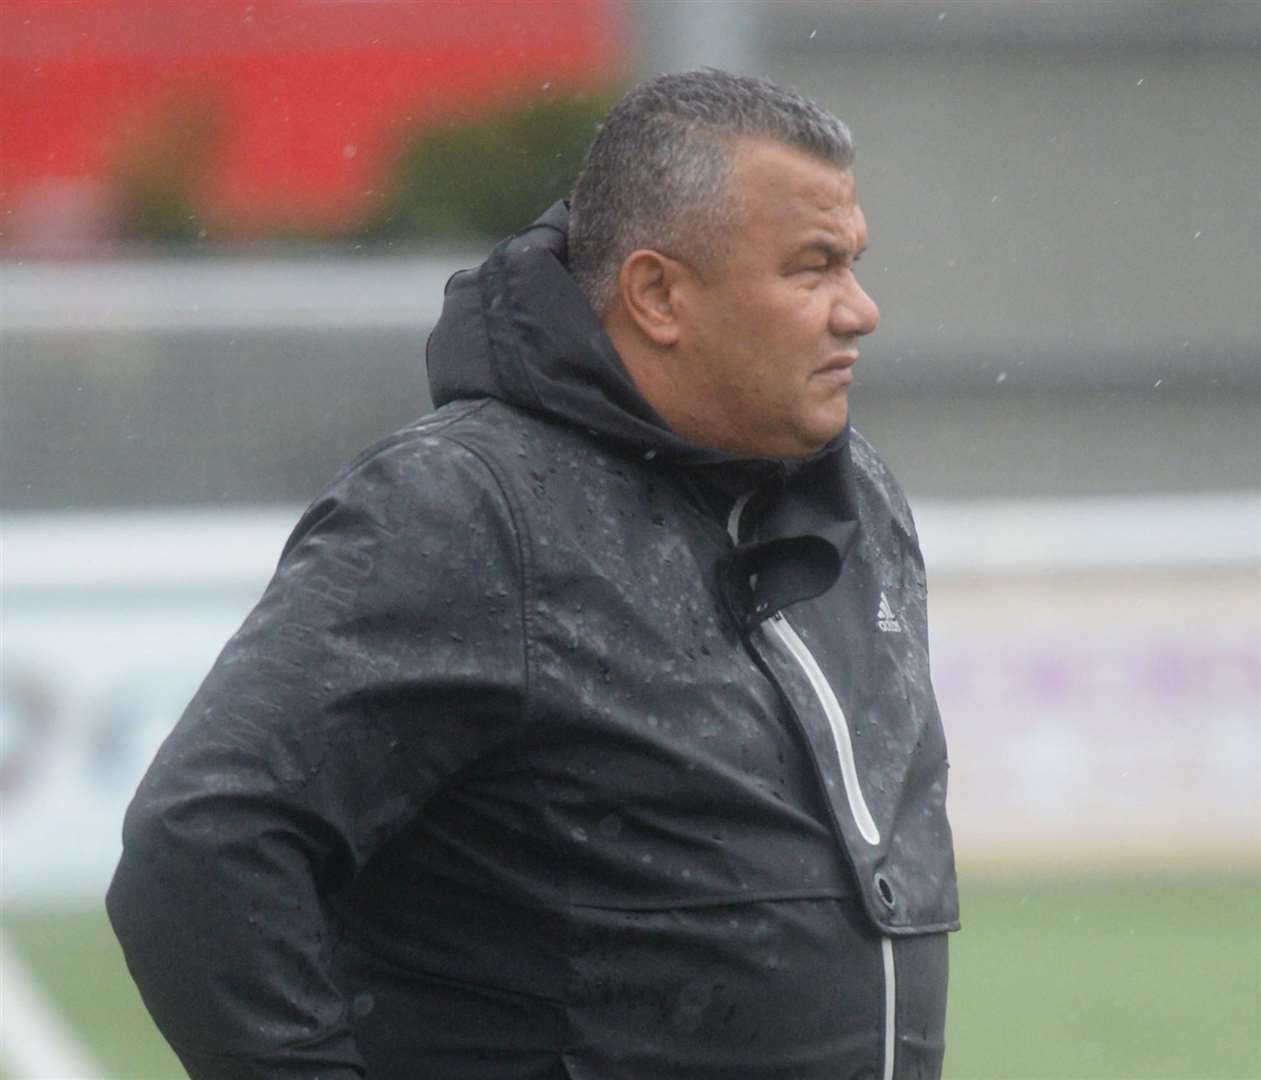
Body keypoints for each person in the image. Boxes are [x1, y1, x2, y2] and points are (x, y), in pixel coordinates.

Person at [108, 69, 959, 1080]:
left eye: (853, 262)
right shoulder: (466, 509)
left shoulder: (852, 494)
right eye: (813, 267)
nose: (859, 310)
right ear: (657, 294)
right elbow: (203, 843)